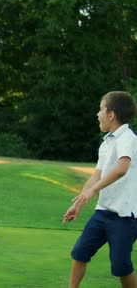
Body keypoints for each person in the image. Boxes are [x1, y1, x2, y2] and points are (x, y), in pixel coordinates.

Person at [63, 91, 137, 288]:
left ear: (111, 114)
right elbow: (97, 176)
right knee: (80, 253)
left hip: (125, 217)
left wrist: (92, 191)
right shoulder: (107, 142)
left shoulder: (127, 138)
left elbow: (122, 169)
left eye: (100, 109)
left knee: (121, 266)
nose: (97, 114)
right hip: (102, 213)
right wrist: (79, 202)